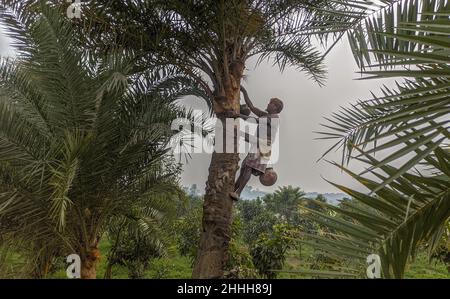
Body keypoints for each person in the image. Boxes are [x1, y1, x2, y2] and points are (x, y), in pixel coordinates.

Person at [229, 87, 283, 201]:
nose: (268, 104)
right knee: (244, 170)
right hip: (258, 144)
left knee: (248, 168)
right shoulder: (266, 115)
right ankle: (234, 189)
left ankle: (238, 193)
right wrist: (244, 91)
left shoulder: (274, 118)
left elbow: (254, 120)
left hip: (263, 146)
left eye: (270, 103)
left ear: (275, 107)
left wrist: (238, 115)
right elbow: (251, 107)